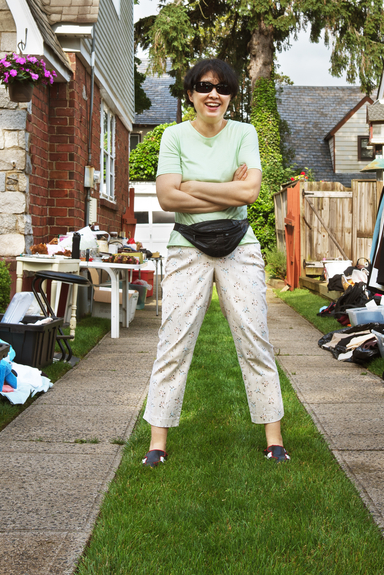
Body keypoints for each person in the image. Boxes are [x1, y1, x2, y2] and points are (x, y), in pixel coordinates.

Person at [142, 58, 288, 468]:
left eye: (223, 88)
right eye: (205, 86)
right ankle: (157, 444)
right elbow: (167, 198)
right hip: (187, 246)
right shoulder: (173, 136)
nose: (214, 94)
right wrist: (226, 189)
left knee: (255, 337)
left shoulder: (244, 133)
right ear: (190, 93)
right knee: (173, 342)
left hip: (240, 244)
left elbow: (249, 194)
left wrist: (192, 185)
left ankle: (274, 440)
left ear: (230, 97)